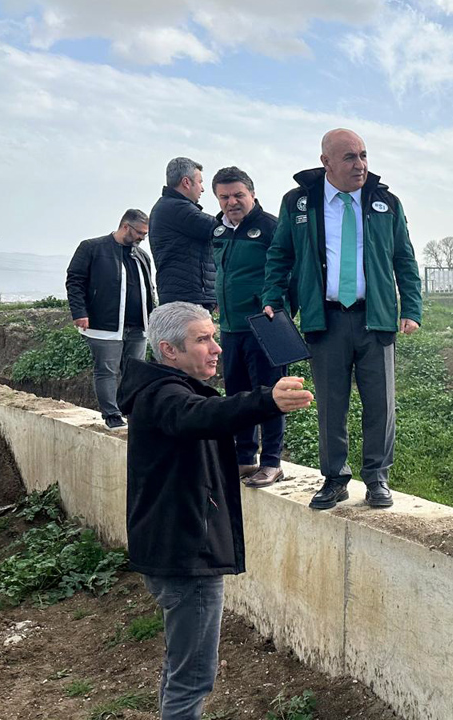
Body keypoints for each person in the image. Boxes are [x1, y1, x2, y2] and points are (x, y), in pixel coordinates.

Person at [117, 302, 313, 720]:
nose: (217, 348)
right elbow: (201, 416)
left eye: (214, 336)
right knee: (192, 678)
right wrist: (267, 400)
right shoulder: (165, 396)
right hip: (187, 557)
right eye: (203, 339)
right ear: (169, 350)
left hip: (175, 549)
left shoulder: (160, 389)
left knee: (181, 667)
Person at [262, 128, 422, 510]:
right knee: (331, 405)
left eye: (364, 155)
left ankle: (377, 478)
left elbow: (404, 258)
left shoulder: (386, 203)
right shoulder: (299, 203)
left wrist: (411, 308)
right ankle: (335, 478)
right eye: (350, 157)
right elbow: (280, 254)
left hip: (375, 318)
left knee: (380, 404)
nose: (360, 165)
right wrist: (272, 298)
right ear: (326, 162)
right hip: (326, 319)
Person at [210, 166, 285, 488]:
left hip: (264, 324)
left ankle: (272, 462)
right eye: (224, 197)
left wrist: (277, 306)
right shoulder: (218, 231)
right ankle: (244, 457)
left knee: (270, 394)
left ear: (252, 194)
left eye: (238, 195)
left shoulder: (270, 227)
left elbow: (287, 270)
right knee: (238, 395)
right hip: (230, 327)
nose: (231, 202)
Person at [65, 209, 157, 429]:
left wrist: (153, 316)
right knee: (107, 370)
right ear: (126, 226)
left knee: (134, 372)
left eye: (145, 234)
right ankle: (112, 415)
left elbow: (149, 288)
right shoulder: (92, 248)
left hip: (139, 326)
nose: (142, 238)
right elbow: (75, 281)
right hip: (104, 325)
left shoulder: (141, 255)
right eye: (140, 233)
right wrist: (79, 312)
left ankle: (133, 413)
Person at [150, 157, 219, 308]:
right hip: (187, 298)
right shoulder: (177, 208)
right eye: (200, 182)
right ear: (186, 182)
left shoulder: (168, 206)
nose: (202, 189)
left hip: (184, 295)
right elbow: (217, 228)